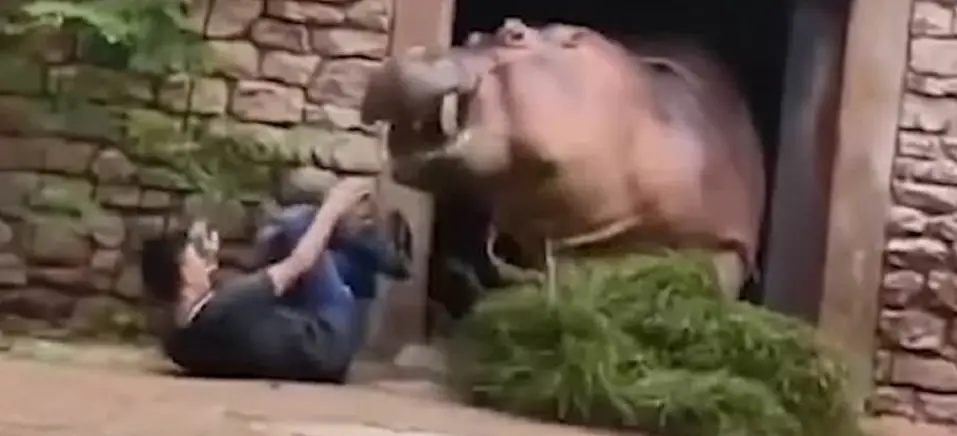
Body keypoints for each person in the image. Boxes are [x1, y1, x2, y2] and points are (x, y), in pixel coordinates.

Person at [140, 177, 405, 383]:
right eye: (196, 257)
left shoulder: (177, 339)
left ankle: (381, 257)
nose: (207, 262)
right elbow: (299, 263)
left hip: (317, 350)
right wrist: (335, 205)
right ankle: (392, 255)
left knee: (331, 256)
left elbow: (254, 285)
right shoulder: (227, 305)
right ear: (185, 273)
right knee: (296, 224)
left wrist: (208, 255)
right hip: (329, 336)